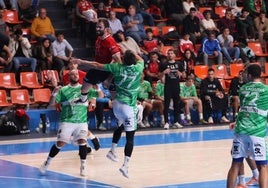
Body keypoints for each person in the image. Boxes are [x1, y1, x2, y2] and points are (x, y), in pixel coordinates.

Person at [72, 50, 144, 178]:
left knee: (122, 126)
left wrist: (81, 61)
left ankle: (112, 150)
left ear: (123, 60)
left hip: (116, 105)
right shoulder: (139, 67)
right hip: (128, 107)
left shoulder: (117, 67)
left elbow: (96, 65)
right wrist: (127, 51)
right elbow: (140, 58)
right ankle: (125, 166)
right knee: (130, 137)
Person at [39, 69, 99, 177]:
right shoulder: (63, 90)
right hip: (67, 121)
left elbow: (100, 96)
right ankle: (47, 162)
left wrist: (97, 90)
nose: (75, 75)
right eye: (73, 74)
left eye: (77, 74)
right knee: (60, 143)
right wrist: (54, 93)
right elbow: (52, 104)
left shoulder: (85, 88)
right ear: (69, 77)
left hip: (81, 121)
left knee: (82, 141)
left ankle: (83, 166)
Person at [227, 64, 268, 188]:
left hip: (241, 131)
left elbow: (245, 108)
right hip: (257, 132)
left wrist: (237, 121)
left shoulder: (243, 88)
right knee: (263, 166)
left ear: (249, 75)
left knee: (235, 164)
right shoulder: (266, 90)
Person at [76, 18, 121, 104]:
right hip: (98, 67)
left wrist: (109, 77)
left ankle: (118, 105)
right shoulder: (99, 39)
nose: (97, 29)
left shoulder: (110, 41)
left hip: (107, 69)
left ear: (107, 29)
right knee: (86, 81)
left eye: (100, 27)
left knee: (113, 94)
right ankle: (83, 100)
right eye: (97, 27)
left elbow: (118, 62)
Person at [159, 48, 184, 129]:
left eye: (171, 53)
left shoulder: (179, 64)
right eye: (168, 53)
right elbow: (158, 76)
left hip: (176, 86)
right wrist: (163, 72)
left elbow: (184, 76)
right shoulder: (164, 64)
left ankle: (176, 122)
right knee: (166, 104)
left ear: (174, 55)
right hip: (168, 86)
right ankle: (166, 122)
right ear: (167, 55)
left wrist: (180, 73)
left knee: (177, 104)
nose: (170, 55)